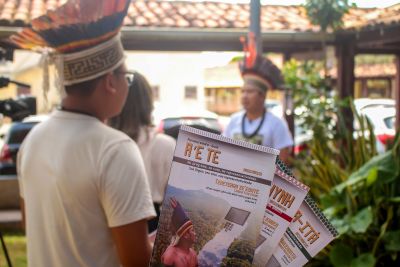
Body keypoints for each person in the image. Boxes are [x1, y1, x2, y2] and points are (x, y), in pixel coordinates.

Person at [13, 1, 156, 266]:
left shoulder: (33, 139)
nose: (127, 84)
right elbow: (137, 261)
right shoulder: (115, 148)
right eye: (126, 76)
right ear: (110, 82)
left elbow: (30, 225)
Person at [109, 71, 176, 233]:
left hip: (108, 225)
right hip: (152, 226)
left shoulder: (103, 144)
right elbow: (176, 203)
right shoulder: (165, 145)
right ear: (148, 101)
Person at [223, 54, 293, 164]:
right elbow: (224, 151)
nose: (245, 96)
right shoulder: (234, 120)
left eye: (250, 92)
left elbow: (283, 160)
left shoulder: (276, 123)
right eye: (243, 91)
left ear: (262, 96)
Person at [161, 197, 198, 267]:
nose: (195, 234)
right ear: (186, 235)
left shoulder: (193, 254)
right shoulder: (171, 255)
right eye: (193, 230)